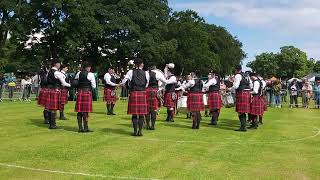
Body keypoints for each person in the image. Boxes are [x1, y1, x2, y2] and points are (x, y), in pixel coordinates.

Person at [121, 58, 149, 136]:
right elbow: (147, 83)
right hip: (142, 93)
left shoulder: (130, 72)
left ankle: (135, 131)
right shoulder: (145, 73)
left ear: (135, 64)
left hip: (134, 93)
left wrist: (128, 86)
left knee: (134, 114)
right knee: (141, 114)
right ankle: (140, 132)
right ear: (141, 64)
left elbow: (124, 81)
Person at [46, 59, 71, 129]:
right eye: (59, 63)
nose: (60, 65)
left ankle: (51, 124)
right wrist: (71, 85)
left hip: (50, 90)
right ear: (56, 64)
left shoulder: (49, 71)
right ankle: (53, 125)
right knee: (54, 108)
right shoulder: (57, 72)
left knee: (51, 108)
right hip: (55, 90)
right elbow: (64, 83)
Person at [229, 65, 252, 132]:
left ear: (236, 69)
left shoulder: (237, 75)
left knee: (240, 111)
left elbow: (236, 86)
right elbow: (251, 85)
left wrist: (230, 89)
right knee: (243, 111)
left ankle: (243, 127)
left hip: (241, 93)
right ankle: (243, 126)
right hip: (247, 93)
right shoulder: (246, 75)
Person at [75, 62, 96, 133]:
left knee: (79, 111)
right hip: (87, 92)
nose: (90, 68)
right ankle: (86, 128)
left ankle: (80, 128)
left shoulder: (78, 73)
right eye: (89, 67)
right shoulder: (90, 74)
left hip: (80, 92)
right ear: (87, 67)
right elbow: (94, 86)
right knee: (85, 112)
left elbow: (75, 82)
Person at [145, 66, 166, 130]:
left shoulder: (145, 73)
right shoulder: (158, 74)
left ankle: (148, 125)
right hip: (155, 91)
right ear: (154, 69)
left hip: (147, 91)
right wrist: (160, 88)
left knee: (147, 109)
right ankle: (153, 126)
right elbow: (165, 82)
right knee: (154, 109)